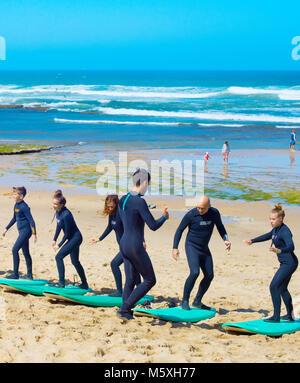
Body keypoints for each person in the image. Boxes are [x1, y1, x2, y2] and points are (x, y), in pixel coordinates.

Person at [117, 168, 169, 320]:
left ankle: (125, 311)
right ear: (144, 182)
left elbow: (120, 224)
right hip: (135, 245)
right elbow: (153, 225)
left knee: (131, 280)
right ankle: (125, 308)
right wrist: (164, 217)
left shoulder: (123, 199)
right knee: (149, 280)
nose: (148, 187)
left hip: (124, 244)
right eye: (148, 184)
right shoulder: (139, 201)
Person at [172, 195, 231, 310]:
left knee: (209, 275)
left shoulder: (214, 213)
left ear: (209, 206)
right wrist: (175, 247)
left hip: (204, 248)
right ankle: (184, 300)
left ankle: (197, 301)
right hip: (192, 246)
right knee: (194, 272)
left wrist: (226, 239)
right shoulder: (191, 215)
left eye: (202, 208)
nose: (200, 210)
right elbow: (179, 230)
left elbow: (220, 226)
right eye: (198, 207)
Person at [243, 204, 298, 323]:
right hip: (286, 263)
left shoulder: (285, 231)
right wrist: (252, 241)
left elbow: (291, 246)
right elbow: (268, 236)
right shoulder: (276, 229)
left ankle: (276, 317)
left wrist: (280, 250)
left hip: (289, 263)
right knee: (282, 288)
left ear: (280, 219)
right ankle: (289, 315)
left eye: (273, 219)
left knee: (274, 286)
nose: (271, 221)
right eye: (270, 219)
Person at [91, 194, 142, 297]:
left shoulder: (122, 214)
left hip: (130, 245)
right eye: (108, 206)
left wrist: (141, 240)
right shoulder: (111, 214)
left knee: (115, 264)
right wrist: (99, 238)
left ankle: (120, 291)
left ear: (117, 204)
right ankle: (139, 290)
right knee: (134, 268)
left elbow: (134, 226)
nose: (109, 208)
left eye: (112, 206)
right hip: (123, 247)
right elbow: (110, 227)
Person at [52, 190, 89, 289]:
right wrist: (54, 239)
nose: (53, 205)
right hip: (72, 238)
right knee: (75, 261)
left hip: (75, 238)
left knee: (59, 257)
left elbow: (67, 234)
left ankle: (61, 283)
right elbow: (59, 225)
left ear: (62, 204)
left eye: (55, 204)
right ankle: (84, 284)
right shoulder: (58, 212)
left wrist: (59, 245)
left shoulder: (66, 214)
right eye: (53, 203)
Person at [2, 186, 37, 279]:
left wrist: (34, 233)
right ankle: (29, 275)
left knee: (14, 250)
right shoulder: (16, 205)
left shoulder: (24, 207)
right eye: (13, 193)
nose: (13, 195)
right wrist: (6, 228)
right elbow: (14, 218)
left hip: (26, 232)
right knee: (26, 252)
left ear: (21, 196)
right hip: (22, 231)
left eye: (15, 194)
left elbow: (31, 220)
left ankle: (15, 274)